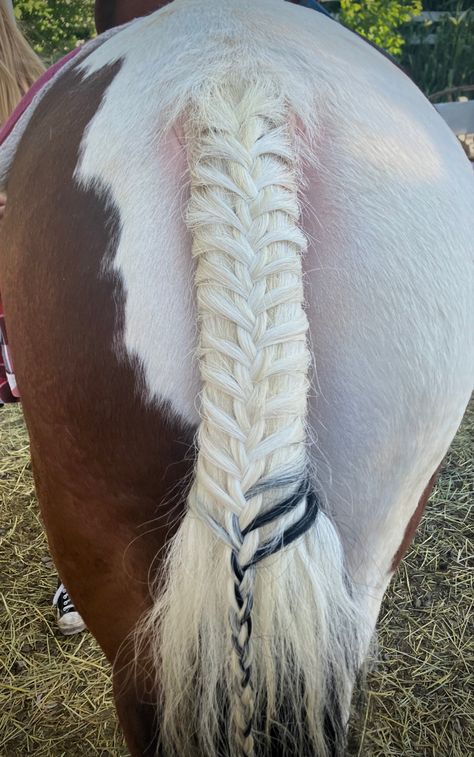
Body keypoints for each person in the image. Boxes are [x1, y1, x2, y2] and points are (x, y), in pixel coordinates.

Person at [0, 0, 85, 636]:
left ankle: (78, 574)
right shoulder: (47, 85)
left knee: (57, 432)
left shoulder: (45, 87)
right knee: (57, 430)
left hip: (26, 284)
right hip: (35, 283)